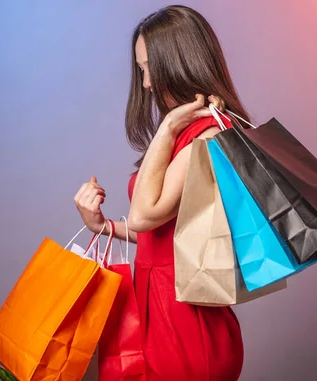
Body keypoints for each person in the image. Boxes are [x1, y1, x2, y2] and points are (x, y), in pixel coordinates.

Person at [74, 5, 251, 380]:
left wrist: (169, 126)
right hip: (155, 308)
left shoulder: (207, 136)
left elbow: (143, 215)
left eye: (149, 68)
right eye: (141, 70)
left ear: (179, 62)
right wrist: (103, 226)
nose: (146, 83)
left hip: (185, 320)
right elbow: (161, 236)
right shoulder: (184, 134)